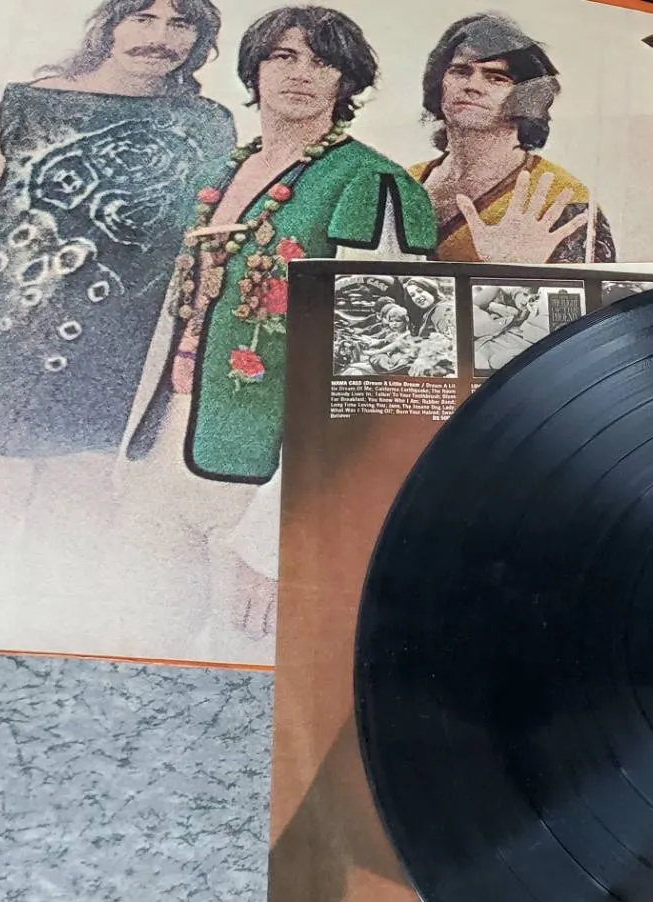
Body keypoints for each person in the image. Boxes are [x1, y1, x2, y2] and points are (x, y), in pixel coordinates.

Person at [119, 5, 439, 658]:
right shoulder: (219, 172)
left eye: (323, 62)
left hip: (264, 490)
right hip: (158, 463)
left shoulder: (375, 185)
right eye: (283, 57)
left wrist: (279, 537)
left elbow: (384, 381)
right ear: (254, 70)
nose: (301, 74)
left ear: (347, 81)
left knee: (242, 670)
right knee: (134, 654)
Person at [0, 0, 234, 457]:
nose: (160, 39)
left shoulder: (208, 123)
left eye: (180, 24)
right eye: (143, 19)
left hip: (115, 365)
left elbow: (201, 239)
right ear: (109, 26)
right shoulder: (13, 104)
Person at [410, 13, 615, 264]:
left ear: (527, 98)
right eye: (460, 71)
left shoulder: (564, 200)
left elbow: (598, 288)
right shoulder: (405, 182)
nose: (472, 86)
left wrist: (520, 268)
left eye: (496, 78)